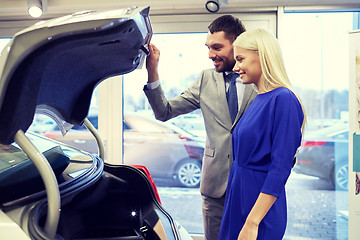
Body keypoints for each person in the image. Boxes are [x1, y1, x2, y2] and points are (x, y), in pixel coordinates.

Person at [143, 15, 257, 240]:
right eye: (208, 47)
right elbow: (164, 112)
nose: (210, 54)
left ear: (238, 45)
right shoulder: (205, 80)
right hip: (215, 187)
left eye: (217, 47)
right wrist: (152, 70)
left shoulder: (258, 79)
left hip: (251, 187)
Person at [218, 28, 306, 240]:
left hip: (258, 209)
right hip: (238, 197)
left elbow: (280, 168)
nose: (236, 67)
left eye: (241, 59)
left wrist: (252, 221)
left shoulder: (283, 99)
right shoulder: (259, 98)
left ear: (262, 56)